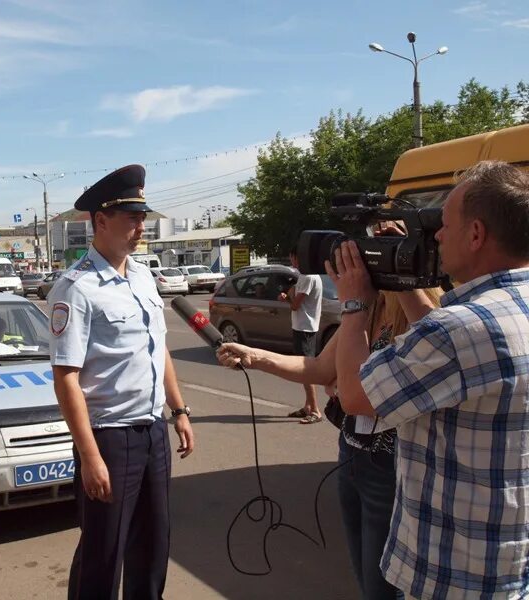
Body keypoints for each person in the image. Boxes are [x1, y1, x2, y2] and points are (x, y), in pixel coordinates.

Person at [332, 161, 529, 599]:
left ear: (476, 234)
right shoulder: (501, 313)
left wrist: (353, 306)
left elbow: (355, 396)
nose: (435, 236)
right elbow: (446, 354)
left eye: (443, 224)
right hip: (506, 564)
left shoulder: (462, 329)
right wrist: (401, 273)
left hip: (455, 574)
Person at [217, 280, 439, 599]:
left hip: (394, 467)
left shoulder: (423, 313)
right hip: (352, 455)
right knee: (367, 579)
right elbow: (321, 367)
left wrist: (400, 283)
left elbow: (357, 397)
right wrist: (254, 356)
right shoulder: (367, 306)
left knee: (385, 589)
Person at [49, 164, 195, 600]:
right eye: (131, 218)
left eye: (142, 217)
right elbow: (66, 379)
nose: (140, 227)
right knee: (103, 553)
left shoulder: (144, 277)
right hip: (110, 438)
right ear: (100, 221)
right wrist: (90, 456)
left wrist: (180, 410)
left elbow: (159, 349)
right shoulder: (76, 288)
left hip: (153, 432)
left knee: (153, 549)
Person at [279, 247, 324, 424]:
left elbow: (296, 305)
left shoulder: (307, 277)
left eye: (292, 257)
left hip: (304, 328)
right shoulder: (310, 276)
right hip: (306, 326)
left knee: (306, 371)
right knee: (305, 368)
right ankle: (307, 406)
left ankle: (315, 410)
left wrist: (286, 299)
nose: (292, 261)